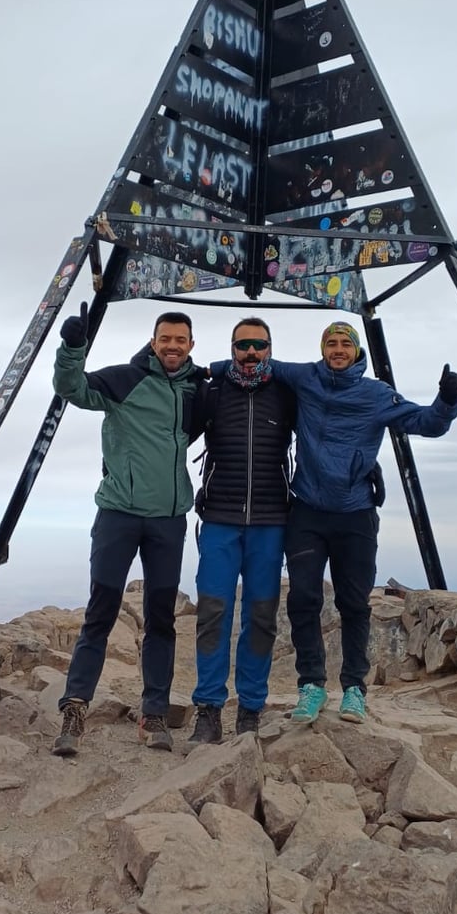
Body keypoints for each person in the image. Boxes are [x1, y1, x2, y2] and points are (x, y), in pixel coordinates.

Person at [270, 321, 457, 725]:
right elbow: (257, 361)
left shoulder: (376, 394)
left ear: (357, 352)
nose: (338, 349)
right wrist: (204, 370)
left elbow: (426, 423)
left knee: (354, 603)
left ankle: (354, 690)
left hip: (355, 513)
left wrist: (448, 399)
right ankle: (311, 686)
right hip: (307, 510)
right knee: (303, 598)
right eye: (331, 343)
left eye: (346, 344)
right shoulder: (305, 376)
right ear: (322, 349)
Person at [52, 306, 205, 756]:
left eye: (181, 340)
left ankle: (154, 713)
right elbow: (70, 388)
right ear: (154, 341)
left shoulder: (198, 388)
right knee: (100, 611)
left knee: (161, 618)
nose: (173, 346)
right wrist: (72, 347)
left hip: (168, 519)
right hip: (118, 513)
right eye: (166, 338)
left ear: (191, 345)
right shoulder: (125, 378)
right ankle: (75, 710)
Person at [187, 319, 295, 746]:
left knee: (261, 617)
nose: (251, 352)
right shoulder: (211, 391)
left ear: (270, 347)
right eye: (242, 345)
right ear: (231, 348)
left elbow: (324, 432)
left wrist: (365, 462)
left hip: (270, 521)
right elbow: (173, 433)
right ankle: (208, 710)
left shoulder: (287, 392)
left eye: (259, 344)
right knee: (213, 613)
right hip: (219, 519)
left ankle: (250, 708)